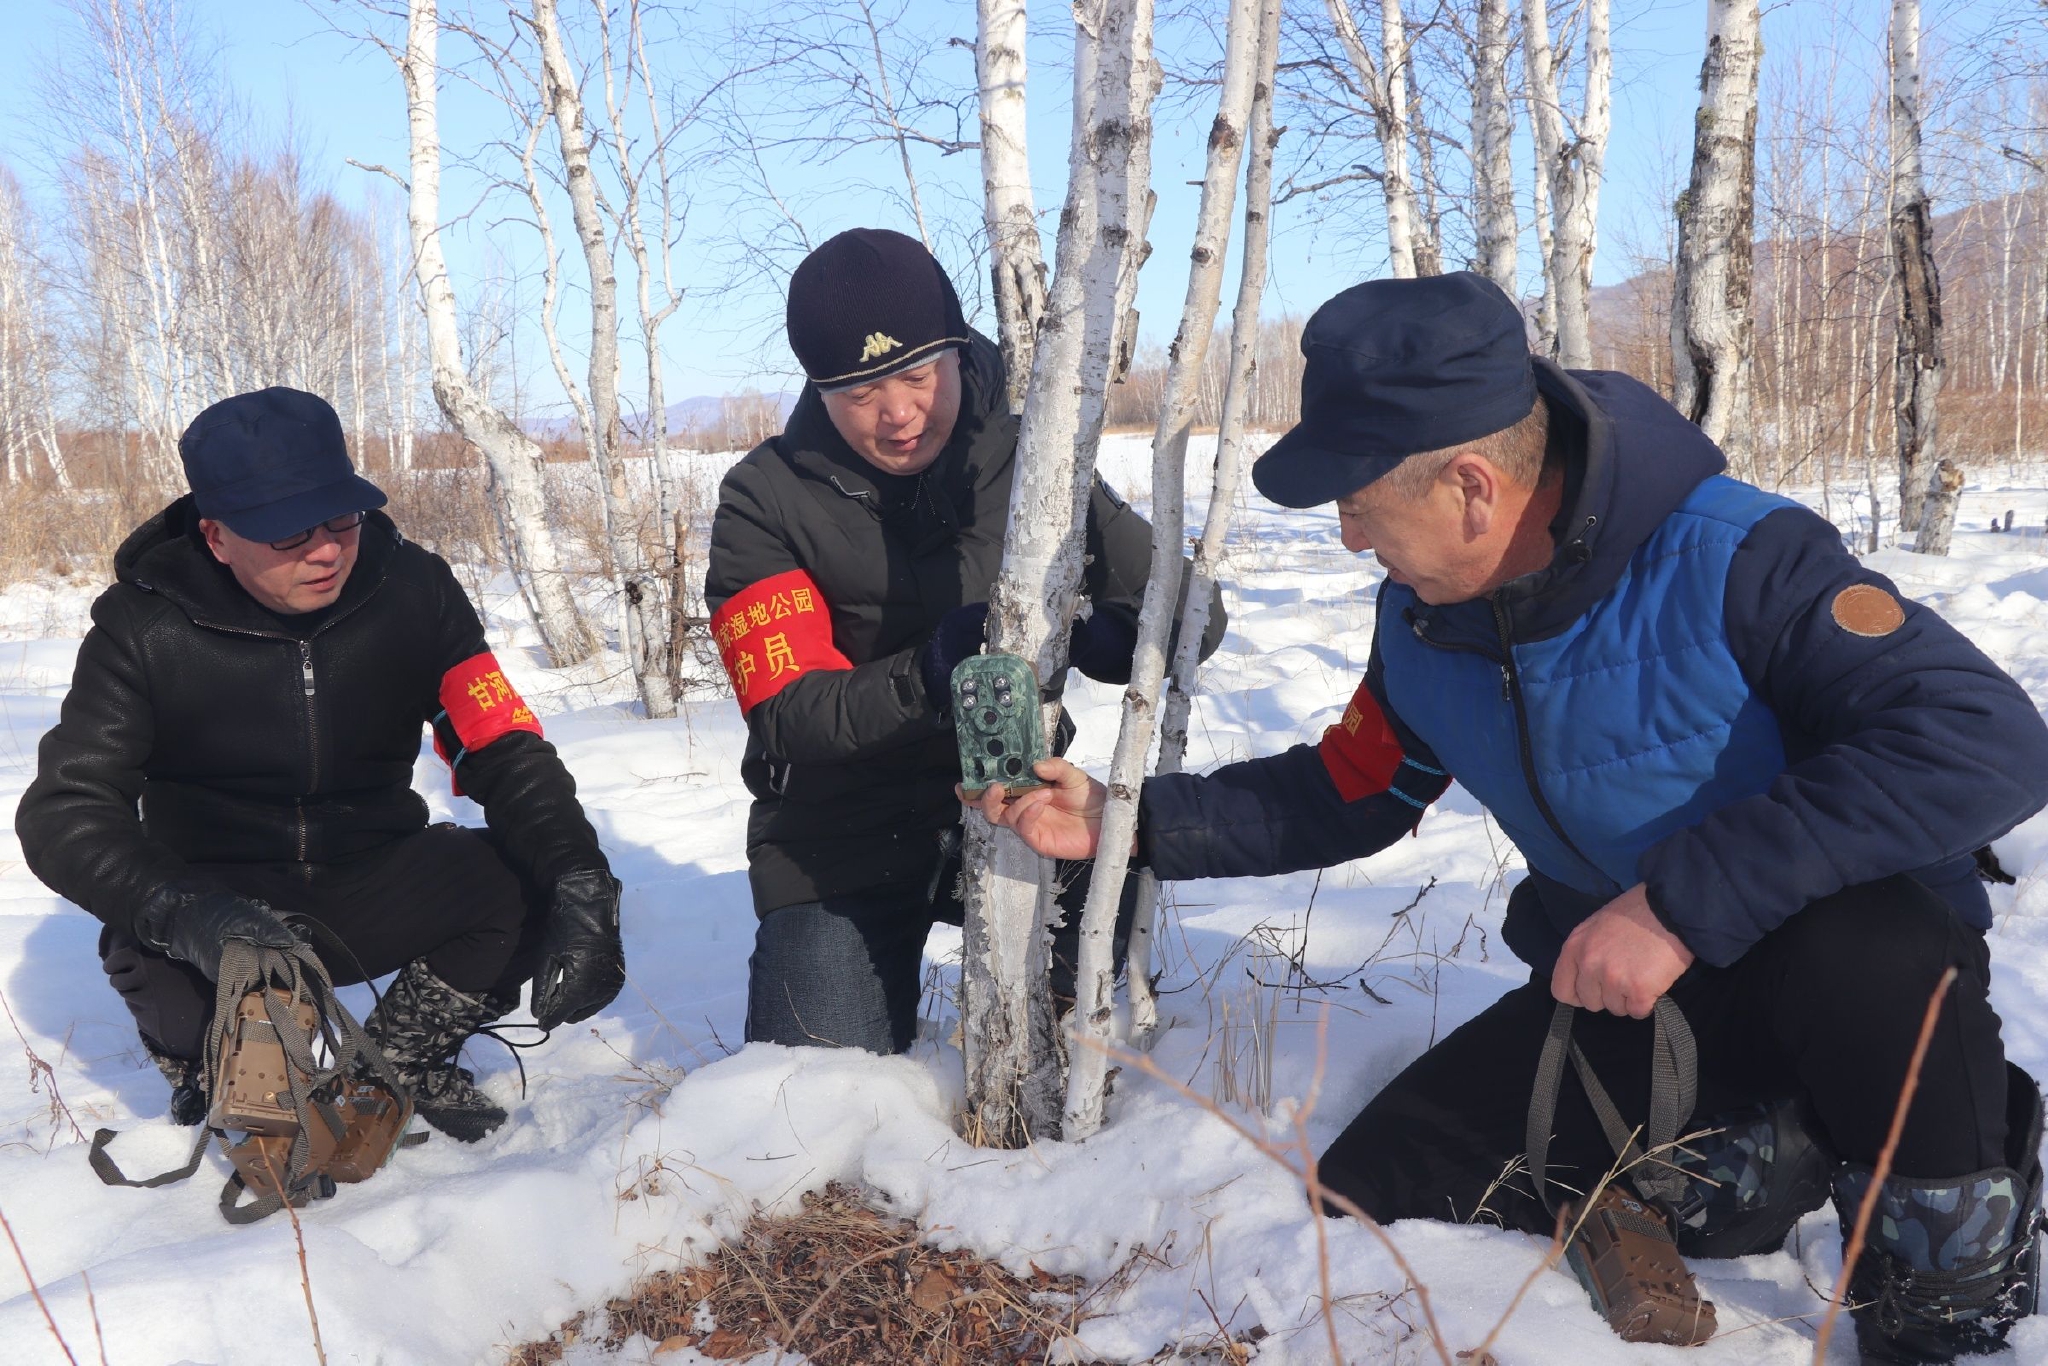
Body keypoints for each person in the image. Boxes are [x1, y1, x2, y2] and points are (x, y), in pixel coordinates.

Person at [973, 272, 2048, 1363]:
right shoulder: (1425, 619)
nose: (1349, 539)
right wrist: (1127, 821)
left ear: (1472, 489)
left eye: (1358, 504)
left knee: (1873, 943)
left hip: (1848, 983)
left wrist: (1677, 906)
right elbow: (1345, 790)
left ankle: (1945, 1264)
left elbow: (1986, 740)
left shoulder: (1736, 558)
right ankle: (1768, 1153)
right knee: (1374, 1190)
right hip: (1633, 992)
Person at [17, 387, 625, 1143]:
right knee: (146, 950)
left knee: (528, 883)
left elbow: (500, 744)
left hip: (372, 872)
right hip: (223, 899)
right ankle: (211, 1074)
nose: (329, 549)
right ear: (216, 536)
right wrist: (188, 912)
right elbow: (66, 810)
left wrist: (579, 874)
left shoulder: (416, 589)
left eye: (343, 517)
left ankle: (397, 1065)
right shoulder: (142, 626)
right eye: (288, 533)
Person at [705, 227, 1226, 1055]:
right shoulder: (765, 499)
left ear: (956, 348)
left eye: (918, 373)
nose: (900, 411)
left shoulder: (1034, 453)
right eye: (860, 392)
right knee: (810, 1103)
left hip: (1024, 797)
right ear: (817, 389)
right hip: (836, 835)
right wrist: (929, 673)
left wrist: (1109, 635)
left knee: (1076, 1049)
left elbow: (1194, 614)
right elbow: (789, 712)